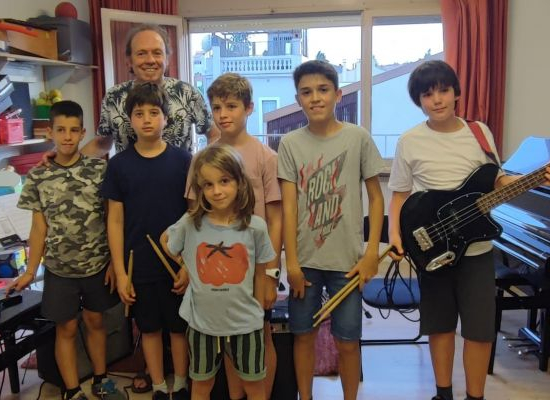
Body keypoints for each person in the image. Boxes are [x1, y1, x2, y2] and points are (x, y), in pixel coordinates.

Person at [387, 60, 550, 400]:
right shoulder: (410, 140)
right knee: (439, 326)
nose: (437, 100)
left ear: (456, 92)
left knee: (479, 331)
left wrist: (538, 177)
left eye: (443, 90)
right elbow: (399, 193)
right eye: (427, 95)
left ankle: (475, 396)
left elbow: (497, 180)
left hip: (476, 252)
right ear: (419, 101)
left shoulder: (479, 131)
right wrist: (396, 235)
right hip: (434, 249)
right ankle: (443, 393)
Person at [277, 60, 385, 400]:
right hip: (305, 263)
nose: (316, 98)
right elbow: (289, 207)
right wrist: (290, 262)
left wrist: (372, 254)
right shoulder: (290, 143)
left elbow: (376, 198)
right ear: (298, 99)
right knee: (303, 336)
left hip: (349, 263)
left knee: (348, 341)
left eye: (323, 90)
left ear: (338, 94)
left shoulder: (358, 138)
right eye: (307, 93)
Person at [10, 100, 124, 400]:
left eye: (74, 130)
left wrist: (115, 262)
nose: (68, 136)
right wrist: (30, 270)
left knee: (96, 322)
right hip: (60, 269)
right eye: (61, 130)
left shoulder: (99, 169)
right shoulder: (38, 176)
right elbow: (38, 229)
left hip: (97, 264)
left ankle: (101, 379)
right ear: (51, 132)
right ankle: (72, 391)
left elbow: (112, 218)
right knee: (67, 329)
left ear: (83, 132)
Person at [186, 72, 282, 400]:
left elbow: (276, 217)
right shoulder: (203, 158)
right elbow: (193, 216)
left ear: (249, 108)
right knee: (225, 338)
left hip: (255, 266)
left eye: (231, 106)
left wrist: (270, 273)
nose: (223, 114)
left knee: (261, 335)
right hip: (214, 268)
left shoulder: (267, 156)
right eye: (216, 108)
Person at [162, 144, 277, 400]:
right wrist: (187, 263)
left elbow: (261, 272)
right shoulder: (191, 223)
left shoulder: (255, 227)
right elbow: (165, 241)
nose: (217, 191)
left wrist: (257, 314)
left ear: (239, 182)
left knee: (254, 386)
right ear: (200, 189)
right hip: (202, 324)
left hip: (246, 324)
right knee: (202, 385)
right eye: (208, 184)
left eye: (224, 181)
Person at [102, 83, 192, 400]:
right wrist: (121, 271)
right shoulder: (118, 165)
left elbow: (195, 216)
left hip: (177, 263)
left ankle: (180, 384)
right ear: (129, 120)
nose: (147, 119)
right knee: (149, 328)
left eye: (154, 113)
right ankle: (157, 386)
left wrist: (190, 266)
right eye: (139, 114)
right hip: (137, 263)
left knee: (179, 328)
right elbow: (114, 220)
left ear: (167, 119)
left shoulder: (184, 160)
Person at [83, 23, 219, 158]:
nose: (150, 60)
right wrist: (67, 168)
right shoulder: (114, 97)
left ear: (167, 58)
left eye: (157, 53)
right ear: (129, 60)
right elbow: (102, 144)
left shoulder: (187, 93)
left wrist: (198, 165)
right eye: (141, 53)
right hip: (130, 178)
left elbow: (214, 135)